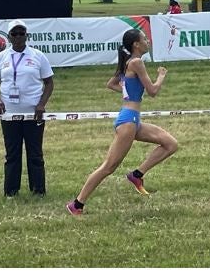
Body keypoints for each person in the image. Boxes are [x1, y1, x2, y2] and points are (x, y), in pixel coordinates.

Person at [67, 28, 178, 215]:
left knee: (170, 144)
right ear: (136, 44)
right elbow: (152, 91)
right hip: (128, 121)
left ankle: (137, 175)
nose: (147, 41)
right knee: (108, 167)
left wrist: (129, 94)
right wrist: (161, 77)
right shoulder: (136, 62)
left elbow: (111, 84)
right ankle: (77, 204)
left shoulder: (128, 62)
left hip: (132, 119)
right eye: (144, 39)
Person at [0, 19, 54, 196]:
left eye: (21, 33)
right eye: (14, 34)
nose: (18, 37)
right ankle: (11, 191)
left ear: (27, 35)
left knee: (35, 153)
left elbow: (49, 83)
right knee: (12, 154)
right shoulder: (1, 58)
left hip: (34, 113)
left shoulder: (38, 56)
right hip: (9, 113)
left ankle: (38, 190)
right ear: (9, 37)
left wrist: (41, 104)